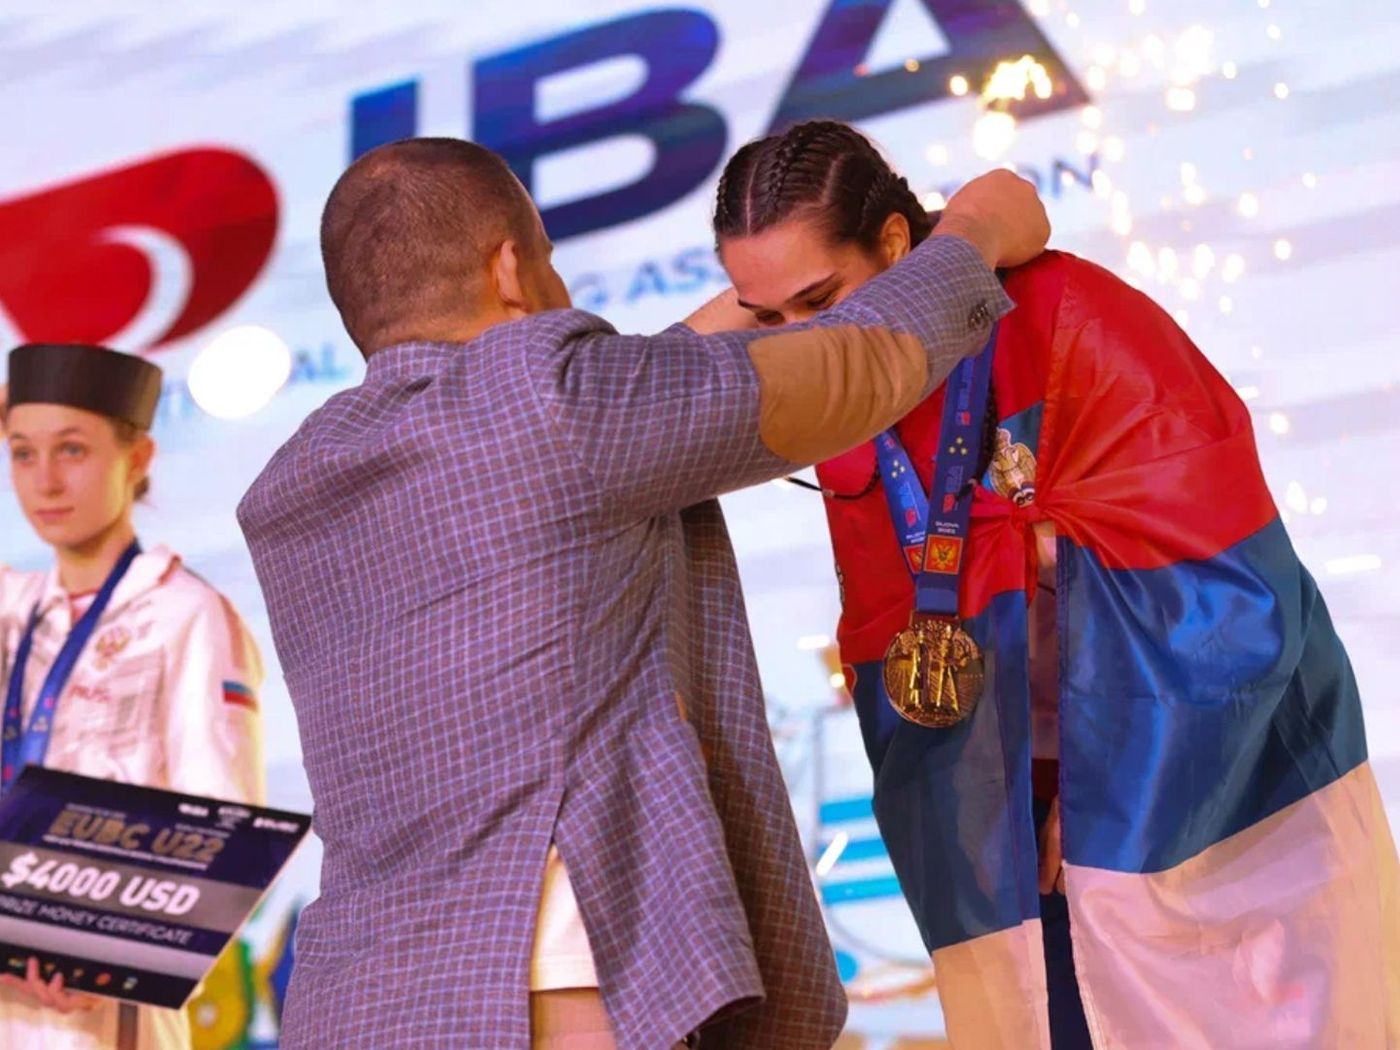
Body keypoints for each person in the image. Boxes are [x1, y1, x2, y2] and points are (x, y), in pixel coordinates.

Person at [235, 136, 1048, 1050]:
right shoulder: (556, 401)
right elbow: (854, 364)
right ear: (509, 269)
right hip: (550, 988)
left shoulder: (299, 484)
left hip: (356, 1005)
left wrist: (763, 300)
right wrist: (975, 231)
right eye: (547, 257)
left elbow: (636, 399)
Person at [704, 119, 1400, 1049]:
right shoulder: (849, 401)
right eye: (768, 320)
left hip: (1187, 778)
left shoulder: (1070, 316)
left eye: (820, 301)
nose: (800, 344)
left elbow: (1228, 573)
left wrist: (1113, 786)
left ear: (899, 244)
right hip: (1000, 804)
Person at [0, 343, 267, 1050]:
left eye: (72, 449)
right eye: (23, 453)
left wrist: (105, 960)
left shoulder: (184, 614)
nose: (45, 481)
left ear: (139, 456)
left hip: (100, 1016)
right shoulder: (12, 612)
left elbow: (227, 832)